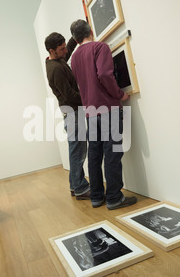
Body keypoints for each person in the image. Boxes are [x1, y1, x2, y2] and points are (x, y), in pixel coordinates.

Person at [69, 19, 137, 210]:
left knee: (95, 154)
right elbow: (105, 75)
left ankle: (97, 197)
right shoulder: (100, 47)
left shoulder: (74, 58)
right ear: (90, 30)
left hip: (90, 112)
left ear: (75, 38)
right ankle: (115, 197)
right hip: (108, 109)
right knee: (112, 153)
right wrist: (120, 94)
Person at [44, 32, 90, 200]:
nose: (65, 51)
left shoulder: (55, 59)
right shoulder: (55, 69)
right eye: (61, 49)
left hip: (71, 112)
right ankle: (80, 188)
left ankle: (74, 185)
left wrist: (74, 36)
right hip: (72, 112)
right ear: (52, 50)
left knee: (75, 149)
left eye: (64, 47)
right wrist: (90, 98)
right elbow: (70, 95)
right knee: (78, 151)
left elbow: (68, 51)